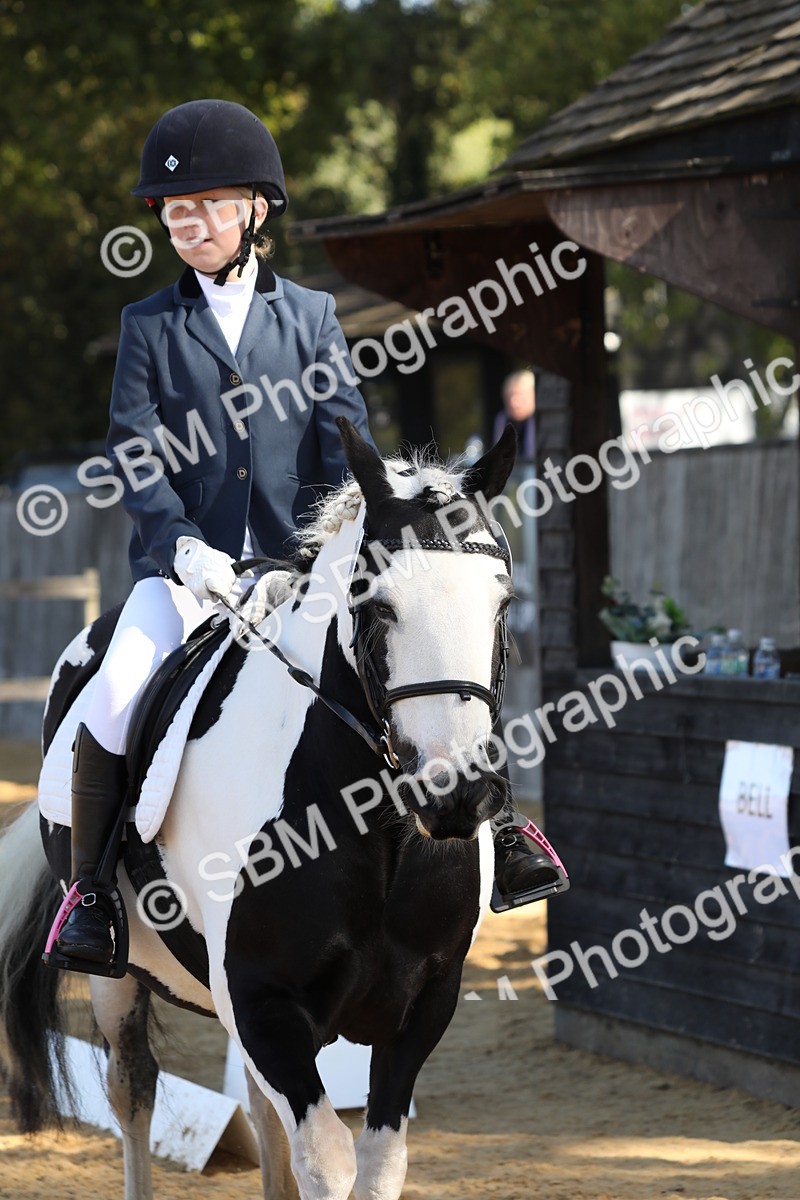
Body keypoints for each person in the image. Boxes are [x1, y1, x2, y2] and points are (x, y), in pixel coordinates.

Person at [54, 100, 563, 973]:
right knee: (112, 696)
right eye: (173, 211)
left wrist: (308, 557)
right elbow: (137, 452)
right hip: (185, 576)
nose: (187, 223)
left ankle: (504, 827)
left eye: (206, 205)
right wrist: (183, 547)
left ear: (255, 209)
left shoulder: (312, 317)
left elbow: (344, 444)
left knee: (432, 647)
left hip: (301, 569)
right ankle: (94, 896)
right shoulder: (149, 326)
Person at [493, 368, 537, 462]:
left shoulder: (543, 421)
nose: (514, 403)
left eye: (520, 395)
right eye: (509, 397)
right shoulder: (502, 420)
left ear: (534, 395)